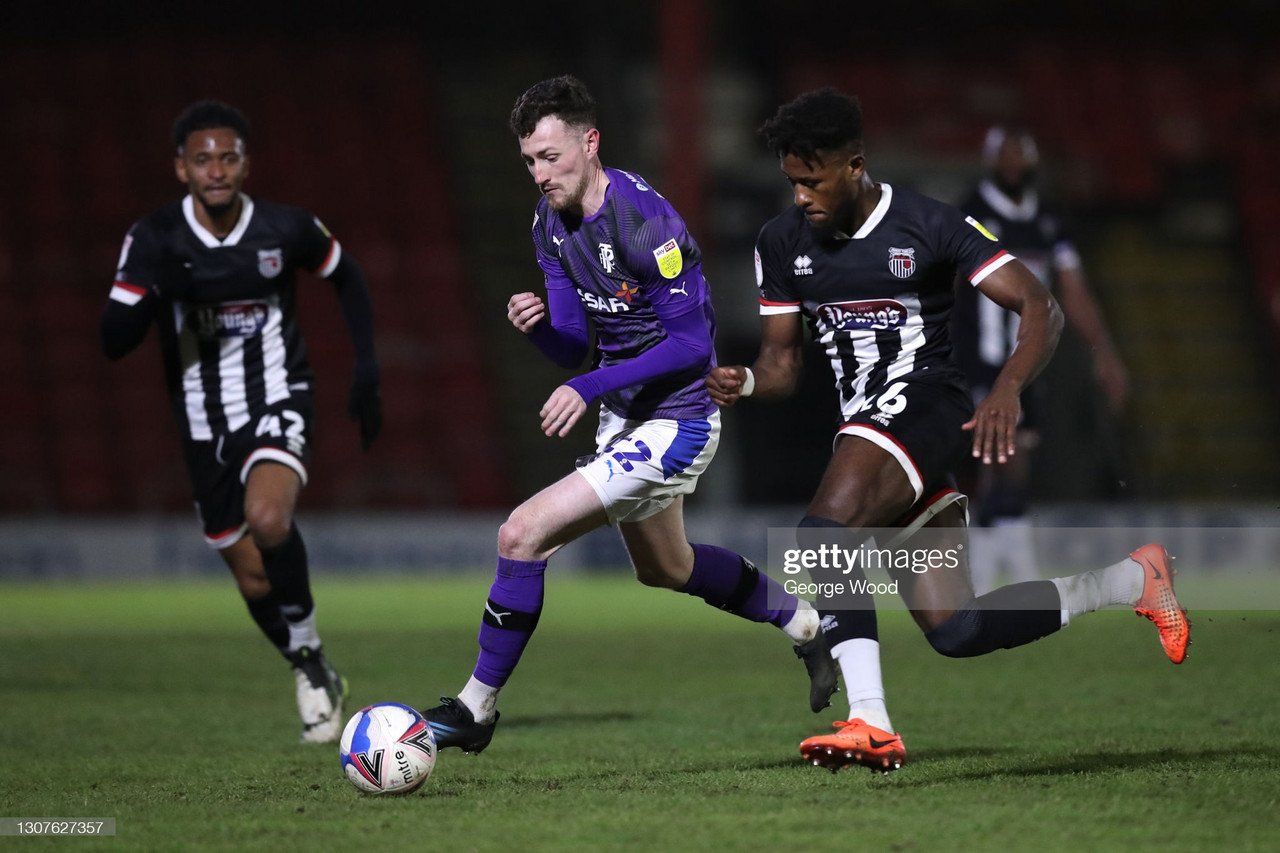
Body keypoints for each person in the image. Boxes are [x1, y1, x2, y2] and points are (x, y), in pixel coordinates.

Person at [707, 88, 1188, 773]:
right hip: (873, 434)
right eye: (792, 181)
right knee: (955, 628)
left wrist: (1008, 388)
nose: (801, 197)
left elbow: (1039, 306)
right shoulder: (781, 241)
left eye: (812, 181)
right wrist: (749, 382)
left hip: (926, 407)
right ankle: (1128, 581)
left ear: (855, 165)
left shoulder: (928, 224)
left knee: (823, 533)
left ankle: (870, 720)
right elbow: (782, 361)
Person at [420, 75, 835, 755]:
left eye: (551, 157)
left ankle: (476, 708)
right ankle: (806, 623)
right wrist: (539, 332)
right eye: (529, 160)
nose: (539, 173)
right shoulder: (548, 222)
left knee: (522, 533)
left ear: (590, 143)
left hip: (681, 419)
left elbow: (693, 346)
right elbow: (571, 343)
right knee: (665, 568)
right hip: (626, 418)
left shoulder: (648, 226)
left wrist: (590, 385)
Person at [100, 100, 383, 743]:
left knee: (269, 518)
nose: (217, 169)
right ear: (181, 169)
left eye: (228, 156)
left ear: (244, 163)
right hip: (202, 423)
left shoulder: (284, 229)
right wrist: (155, 290)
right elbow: (113, 339)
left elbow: (348, 276)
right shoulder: (154, 241)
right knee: (253, 574)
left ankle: (307, 655)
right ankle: (311, 664)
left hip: (277, 397)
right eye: (203, 159)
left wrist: (367, 370)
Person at [951, 125, 1130, 592]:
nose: (1012, 165)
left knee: (1015, 460)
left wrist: (1104, 355)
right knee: (1000, 458)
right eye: (1004, 156)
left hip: (1030, 360)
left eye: (1019, 156)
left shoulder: (1049, 219)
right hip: (982, 361)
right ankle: (1009, 571)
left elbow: (1073, 290)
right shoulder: (971, 211)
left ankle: (995, 568)